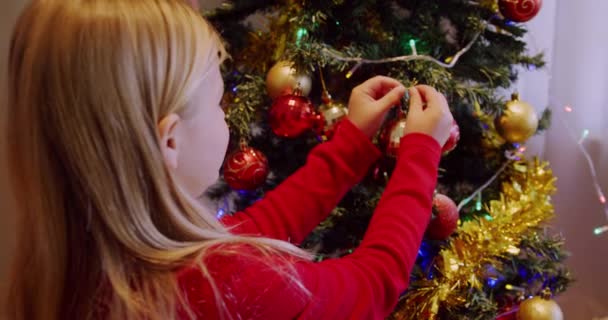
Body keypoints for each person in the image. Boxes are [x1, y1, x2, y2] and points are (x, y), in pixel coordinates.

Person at [4, 0, 453, 319]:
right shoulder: (225, 286)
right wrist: (420, 153)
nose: (226, 116)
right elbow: (371, 287)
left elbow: (250, 232)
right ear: (171, 142)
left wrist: (350, 146)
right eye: (219, 103)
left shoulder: (74, 270)